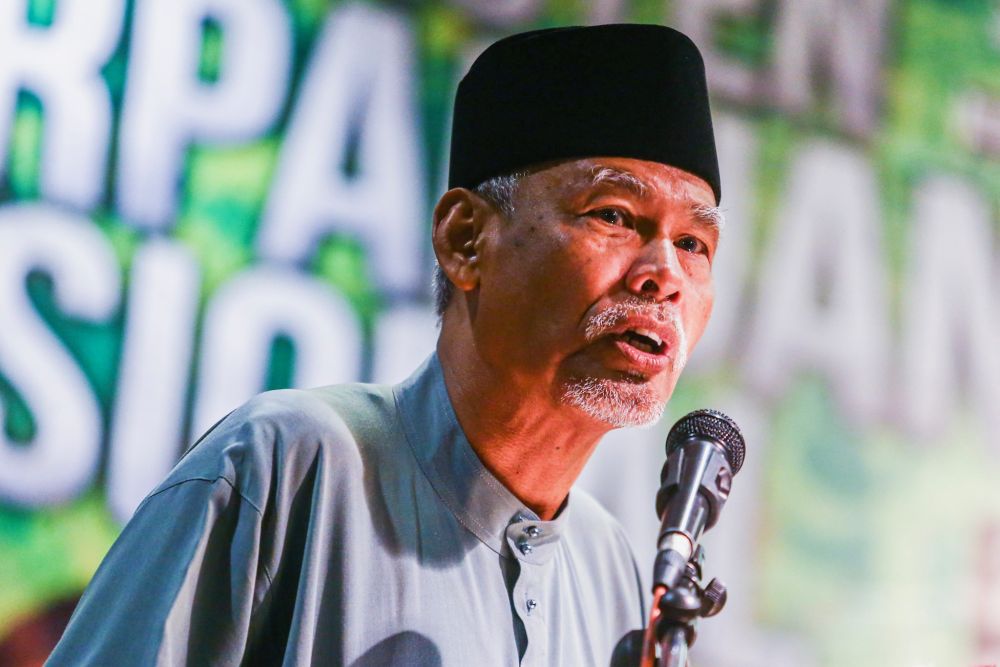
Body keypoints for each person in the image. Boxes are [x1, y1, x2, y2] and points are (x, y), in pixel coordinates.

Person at [48, 23, 723, 666]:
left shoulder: (623, 583)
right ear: (465, 238)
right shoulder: (286, 466)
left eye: (693, 243)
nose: (664, 275)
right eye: (613, 215)